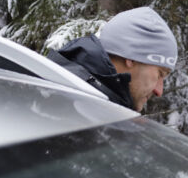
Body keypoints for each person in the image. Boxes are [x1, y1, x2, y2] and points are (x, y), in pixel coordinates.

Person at [49, 7, 177, 112]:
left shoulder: (92, 102)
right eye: (160, 74)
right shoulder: (73, 105)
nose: (159, 91)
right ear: (131, 58)